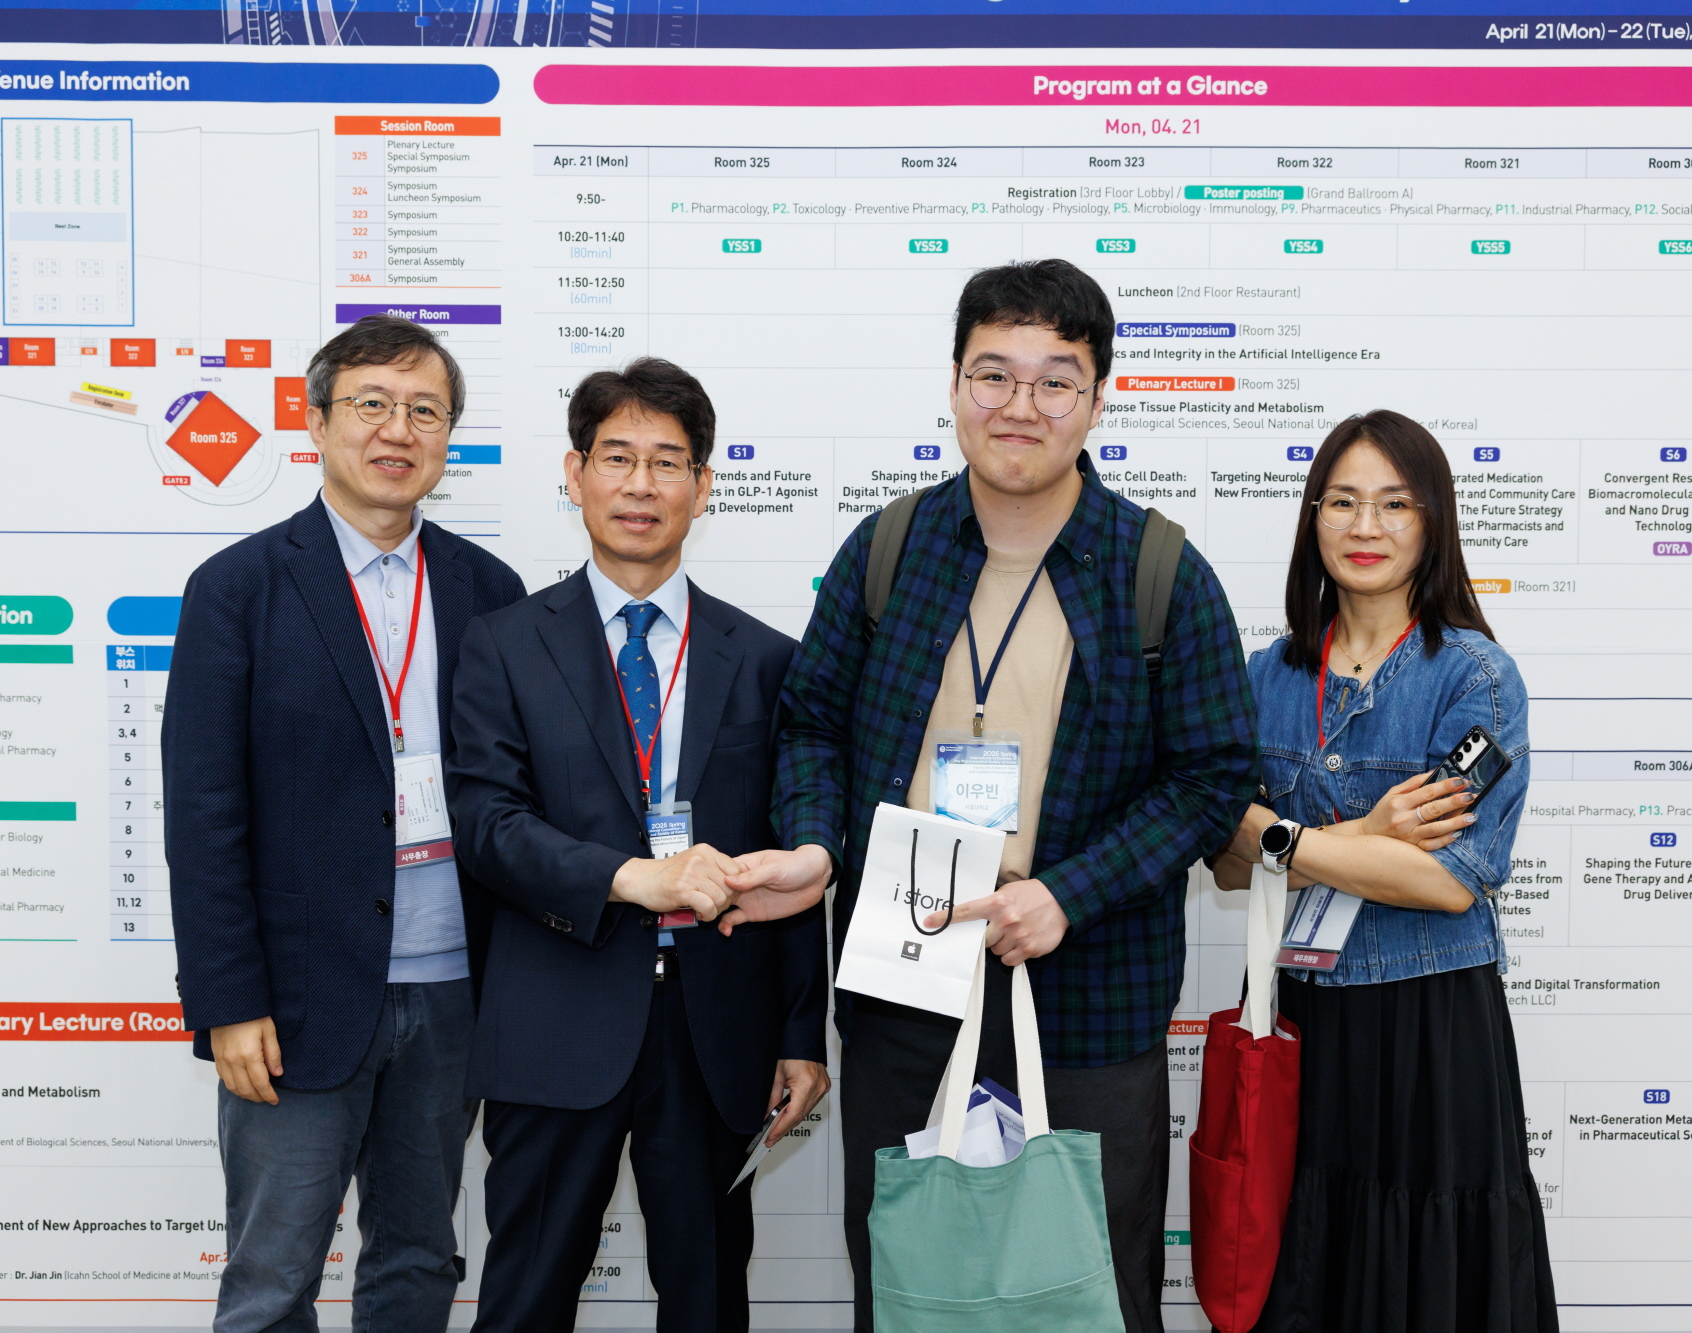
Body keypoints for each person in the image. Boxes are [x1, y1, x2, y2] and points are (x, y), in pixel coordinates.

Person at [724, 260, 1261, 1333]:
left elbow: (1211, 778)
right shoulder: (889, 548)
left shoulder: (1158, 569)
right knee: (911, 1283)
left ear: (1097, 399)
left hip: (1089, 995)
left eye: (1054, 380)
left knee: (1089, 1291)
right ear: (954, 386)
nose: (1020, 405)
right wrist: (818, 848)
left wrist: (1067, 892)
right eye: (993, 374)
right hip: (905, 979)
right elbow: (812, 724)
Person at [448, 357, 829, 1333]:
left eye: (667, 461)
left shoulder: (766, 659)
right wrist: (632, 877)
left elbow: (792, 855)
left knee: (708, 1303)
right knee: (524, 1300)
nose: (640, 484)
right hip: (554, 1018)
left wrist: (799, 1033)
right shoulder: (502, 645)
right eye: (616, 457)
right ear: (575, 474)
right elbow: (487, 826)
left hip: (714, 1030)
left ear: (703, 485)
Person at [163, 315, 525, 1333]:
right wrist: (229, 1001)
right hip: (294, 1001)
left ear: (447, 437)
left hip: (453, 994)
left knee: (416, 1261)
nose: (397, 429)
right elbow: (202, 814)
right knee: (272, 1280)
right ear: (317, 422)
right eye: (372, 403)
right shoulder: (238, 589)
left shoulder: (489, 592)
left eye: (425, 410)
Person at [1209, 410, 1557, 1331]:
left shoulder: (1474, 678)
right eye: (1344, 502)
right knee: (1305, 1267)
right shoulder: (1266, 675)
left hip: (1429, 1027)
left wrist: (1276, 835)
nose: (1366, 526)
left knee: (1427, 1276)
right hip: (1296, 1016)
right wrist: (1366, 832)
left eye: (1395, 504)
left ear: (1433, 521)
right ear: (1312, 517)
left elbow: (1447, 879)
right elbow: (1227, 866)